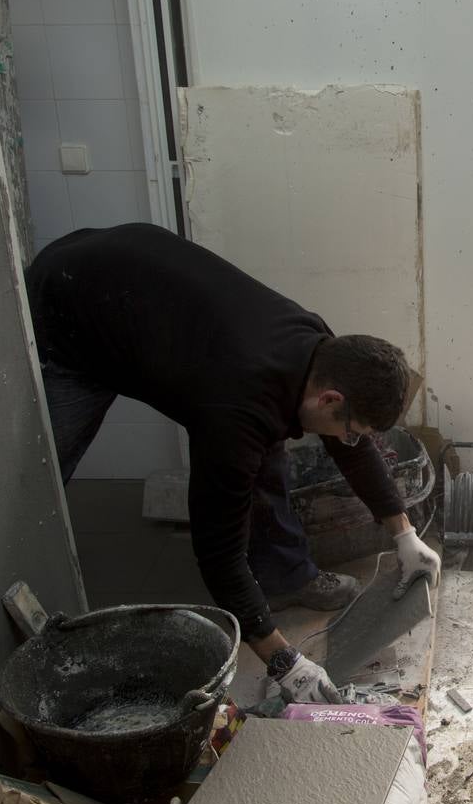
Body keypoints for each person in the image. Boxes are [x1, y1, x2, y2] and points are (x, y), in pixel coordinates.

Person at [25, 223, 441, 704]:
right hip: (68, 309)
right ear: (329, 398)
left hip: (124, 268)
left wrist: (403, 532)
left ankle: (283, 577)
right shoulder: (235, 413)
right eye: (350, 428)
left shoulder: (320, 348)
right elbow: (218, 554)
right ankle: (27, 602)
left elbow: (351, 446)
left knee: (265, 447)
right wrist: (283, 661)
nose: (349, 440)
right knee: (39, 479)